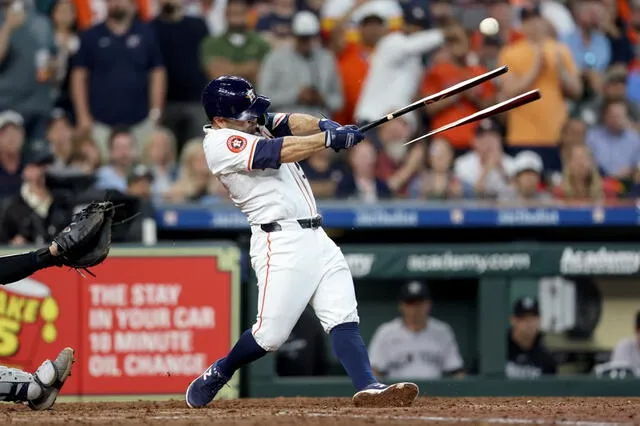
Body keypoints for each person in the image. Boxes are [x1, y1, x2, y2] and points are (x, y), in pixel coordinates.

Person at [185, 75, 419, 408]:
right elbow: (279, 150)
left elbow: (289, 122)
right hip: (279, 241)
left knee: (342, 314)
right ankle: (221, 370)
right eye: (246, 114)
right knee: (270, 336)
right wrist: (327, 140)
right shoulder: (220, 143)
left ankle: (368, 386)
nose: (255, 118)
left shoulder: (250, 121)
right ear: (220, 119)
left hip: (316, 236)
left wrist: (326, 124)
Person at [70, 0, 166, 158]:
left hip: (140, 121)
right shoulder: (91, 35)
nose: (117, 3)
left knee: (142, 172)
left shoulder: (146, 33)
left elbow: (157, 72)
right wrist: (82, 115)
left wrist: (156, 111)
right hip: (101, 122)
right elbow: (79, 76)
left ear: (132, 4)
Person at [354, 2, 444, 125]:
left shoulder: (418, 58)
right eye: (412, 24)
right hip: (372, 118)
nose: (416, 29)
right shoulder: (391, 42)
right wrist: (444, 34)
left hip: (393, 122)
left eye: (421, 26)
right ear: (404, 24)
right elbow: (412, 46)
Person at [368, 280, 464, 380]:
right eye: (410, 303)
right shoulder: (386, 332)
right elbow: (374, 370)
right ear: (401, 305)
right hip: (398, 393)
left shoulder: (442, 331)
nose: (415, 308)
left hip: (435, 393)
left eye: (420, 303)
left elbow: (456, 371)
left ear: (428, 304)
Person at [258, 11, 343, 118]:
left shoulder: (327, 59)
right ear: (294, 35)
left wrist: (321, 99)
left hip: (319, 123)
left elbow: (339, 102)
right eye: (303, 38)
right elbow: (263, 97)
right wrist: (296, 95)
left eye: (310, 37)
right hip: (285, 123)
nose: (307, 42)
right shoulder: (275, 59)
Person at [151, 0, 209, 145]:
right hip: (165, 103)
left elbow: (208, 61)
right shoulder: (150, 27)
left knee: (198, 151)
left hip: (196, 102)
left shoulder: (198, 24)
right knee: (165, 151)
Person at [199, 0, 270, 85]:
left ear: (248, 14)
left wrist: (228, 68)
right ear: (225, 15)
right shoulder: (211, 43)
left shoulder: (261, 43)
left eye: (240, 13)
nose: (236, 18)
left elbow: (264, 75)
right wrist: (250, 67)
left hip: (253, 96)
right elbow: (216, 74)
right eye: (232, 13)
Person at [506, 297, 557, 379]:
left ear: (539, 320)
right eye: (523, 319)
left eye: (533, 319)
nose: (529, 324)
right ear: (513, 320)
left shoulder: (546, 359)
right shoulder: (499, 352)